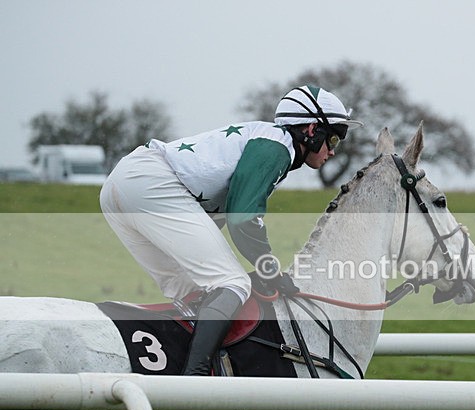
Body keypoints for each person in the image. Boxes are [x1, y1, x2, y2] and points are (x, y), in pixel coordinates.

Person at [100, 85, 362, 377]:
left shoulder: (266, 142)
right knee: (232, 284)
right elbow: (243, 219)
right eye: (334, 137)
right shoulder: (277, 147)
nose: (334, 149)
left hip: (122, 187)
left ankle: (201, 372)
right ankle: (198, 382)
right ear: (312, 129)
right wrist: (268, 269)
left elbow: (222, 220)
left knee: (195, 293)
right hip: (149, 183)